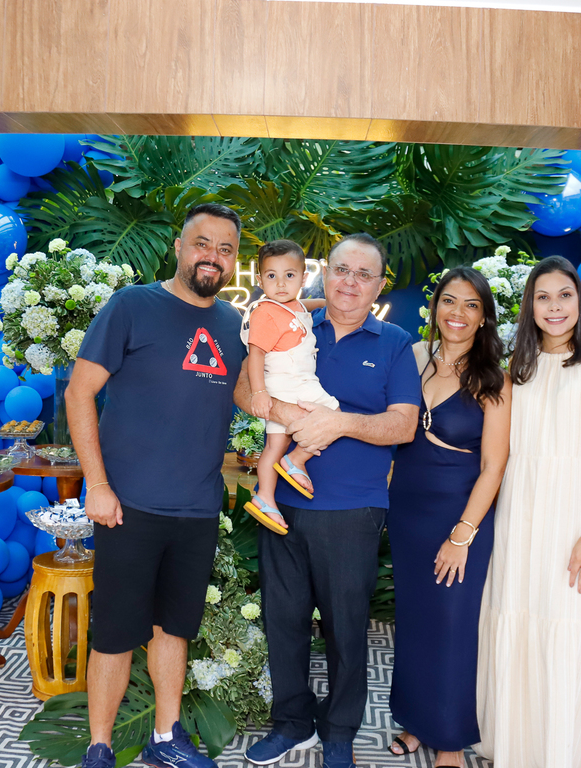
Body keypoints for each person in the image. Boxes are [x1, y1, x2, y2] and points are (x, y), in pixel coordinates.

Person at [66, 203, 247, 768]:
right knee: (115, 634)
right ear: (178, 247)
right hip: (128, 507)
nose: (212, 256)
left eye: (225, 249)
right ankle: (99, 746)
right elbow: (78, 393)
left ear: (234, 261)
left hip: (197, 509)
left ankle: (165, 739)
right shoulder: (131, 306)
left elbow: (250, 394)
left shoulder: (235, 326)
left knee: (174, 630)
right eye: (202, 243)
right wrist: (97, 484)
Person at [233, 233, 420, 768]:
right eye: (341, 269)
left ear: (379, 286)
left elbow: (403, 425)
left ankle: (339, 732)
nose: (350, 282)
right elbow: (244, 390)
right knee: (283, 620)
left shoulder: (394, 342)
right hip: (281, 504)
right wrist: (289, 415)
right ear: (323, 273)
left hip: (353, 509)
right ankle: (292, 722)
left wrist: (340, 424)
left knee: (345, 628)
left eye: (364, 274)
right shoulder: (291, 318)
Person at [475, 256, 581, 767]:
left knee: (572, 625)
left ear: (580, 300)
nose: (554, 307)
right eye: (543, 297)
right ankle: (519, 746)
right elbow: (499, 455)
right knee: (519, 619)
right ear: (529, 305)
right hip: (522, 517)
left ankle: (569, 752)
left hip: (580, 518)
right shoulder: (515, 371)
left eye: (564, 295)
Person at [386, 267, 511, 768]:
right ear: (435, 307)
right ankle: (417, 720)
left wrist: (461, 536)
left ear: (483, 318)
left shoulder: (493, 377)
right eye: (449, 301)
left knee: (454, 624)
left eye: (471, 305)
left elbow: (495, 464)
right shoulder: (414, 358)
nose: (458, 313)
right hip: (407, 510)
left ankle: (451, 738)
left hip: (460, 512)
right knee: (415, 618)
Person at [242, 238, 337, 534]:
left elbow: (301, 308)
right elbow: (256, 355)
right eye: (272, 276)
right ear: (260, 280)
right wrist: (259, 393)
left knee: (276, 444)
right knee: (332, 415)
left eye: (290, 275)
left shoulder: (292, 306)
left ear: (303, 278)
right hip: (288, 382)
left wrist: (325, 303)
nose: (281, 284)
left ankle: (265, 497)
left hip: (292, 383)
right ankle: (296, 459)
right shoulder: (265, 312)